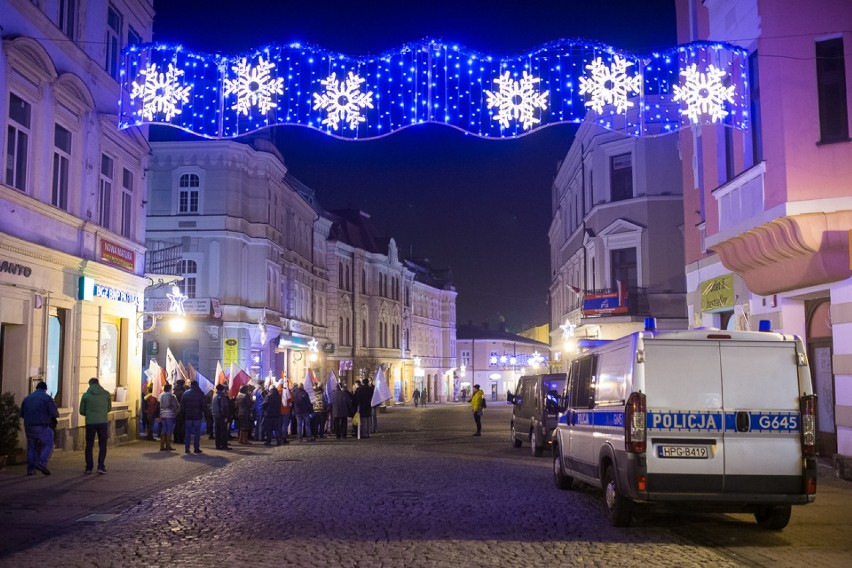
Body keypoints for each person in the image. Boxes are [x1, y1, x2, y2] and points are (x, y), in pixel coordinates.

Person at [20, 381, 59, 476]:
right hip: (41, 425)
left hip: (29, 426)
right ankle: (42, 462)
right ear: (45, 389)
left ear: (36, 388)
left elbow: (22, 414)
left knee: (31, 447)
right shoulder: (46, 398)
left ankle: (31, 469)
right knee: (48, 442)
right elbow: (55, 413)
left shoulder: (27, 398)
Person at [79, 377, 112, 473]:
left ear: (90, 384)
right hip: (103, 422)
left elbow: (81, 411)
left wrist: (89, 414)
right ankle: (101, 466)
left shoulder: (86, 396)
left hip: (90, 422)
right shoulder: (106, 394)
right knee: (103, 444)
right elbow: (109, 409)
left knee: (89, 445)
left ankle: (89, 467)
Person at [180, 380, 205, 454]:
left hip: (188, 416)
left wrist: (183, 414)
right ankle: (196, 448)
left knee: (187, 432)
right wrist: (206, 414)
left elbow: (182, 405)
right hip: (197, 416)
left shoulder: (185, 393)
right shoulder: (200, 393)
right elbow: (204, 405)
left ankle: (187, 448)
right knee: (197, 433)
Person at [158, 383, 179, 451]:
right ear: (170, 389)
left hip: (162, 414)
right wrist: (176, 411)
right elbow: (175, 405)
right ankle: (168, 445)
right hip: (170, 415)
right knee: (169, 430)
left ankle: (161, 446)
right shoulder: (172, 396)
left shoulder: (161, 395)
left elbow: (159, 403)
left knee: (163, 429)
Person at [211, 384, 231, 450]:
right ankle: (224, 445)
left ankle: (218, 445)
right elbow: (224, 407)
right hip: (221, 416)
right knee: (223, 431)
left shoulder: (214, 395)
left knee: (217, 431)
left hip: (215, 415)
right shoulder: (222, 396)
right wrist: (225, 416)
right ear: (223, 389)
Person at [173, 378, 187, 444]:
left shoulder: (175, 391)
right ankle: (180, 439)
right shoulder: (182, 392)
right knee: (181, 425)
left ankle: (176, 439)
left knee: (177, 425)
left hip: (175, 410)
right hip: (181, 410)